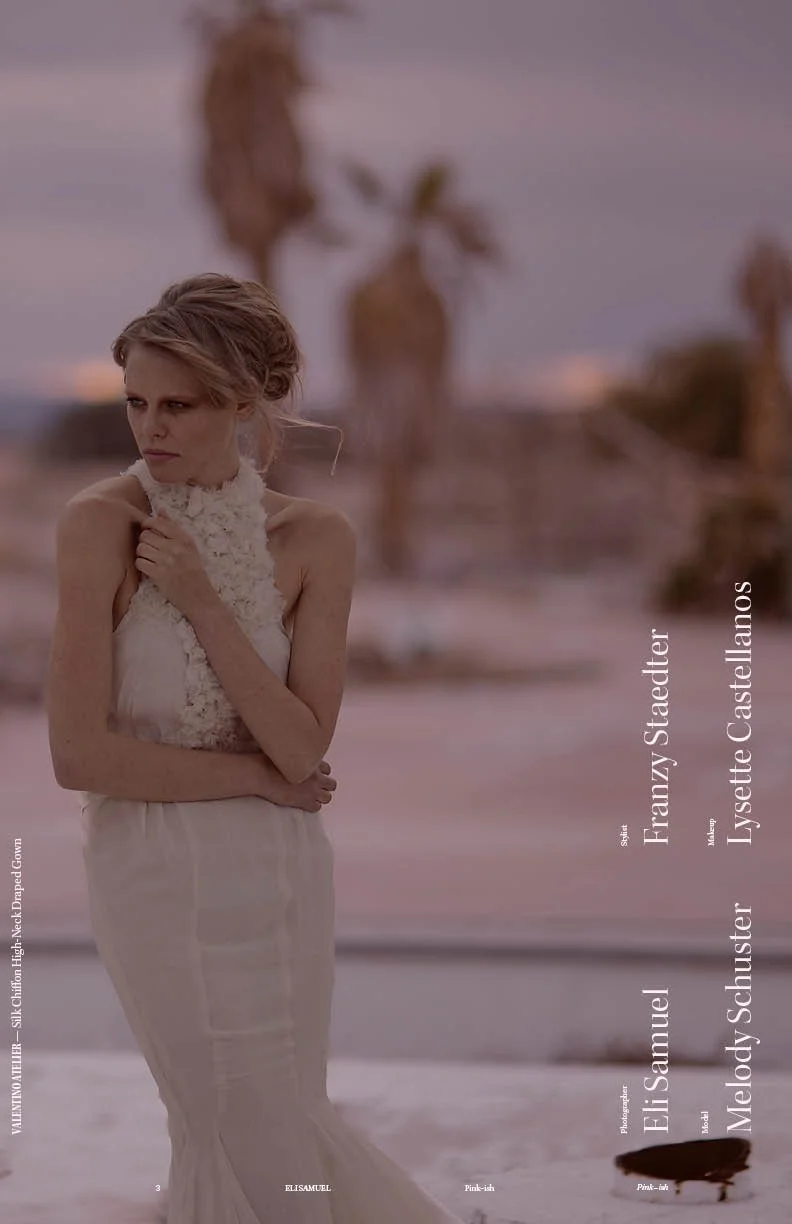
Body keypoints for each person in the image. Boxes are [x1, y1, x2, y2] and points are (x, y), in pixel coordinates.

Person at [46, 274, 471, 1223]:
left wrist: (199, 595)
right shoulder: (97, 525)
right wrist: (256, 780)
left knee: (285, 1115)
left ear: (243, 404)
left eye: (179, 405)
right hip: (147, 869)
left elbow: (302, 742)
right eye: (136, 403)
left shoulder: (318, 536)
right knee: (220, 1127)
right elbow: (80, 758)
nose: (149, 429)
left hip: (277, 878)